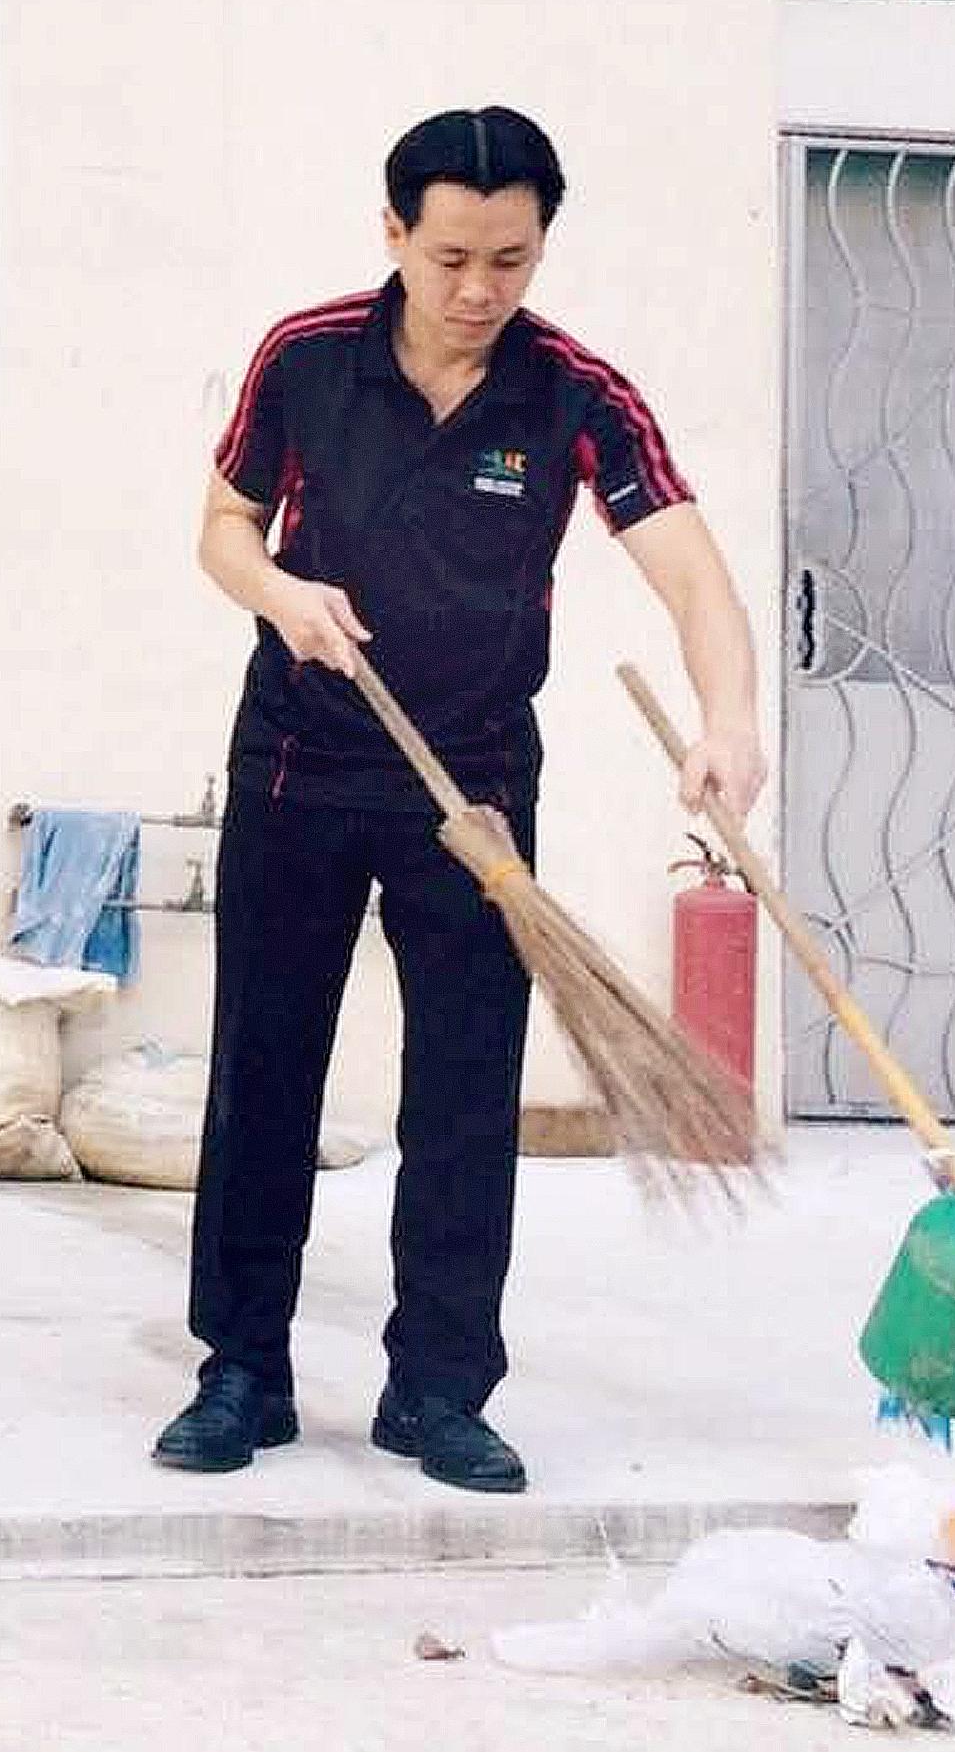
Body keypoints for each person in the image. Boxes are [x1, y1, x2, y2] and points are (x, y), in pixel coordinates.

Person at [151, 105, 764, 1494]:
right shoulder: (306, 358)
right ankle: (240, 1370)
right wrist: (279, 592)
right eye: (450, 258)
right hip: (300, 763)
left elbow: (691, 572)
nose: (479, 288)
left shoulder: (575, 394)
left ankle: (437, 1389)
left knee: (466, 1092)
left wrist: (727, 720)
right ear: (394, 233)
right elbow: (223, 528)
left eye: (510, 259)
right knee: (265, 1071)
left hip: (473, 789)